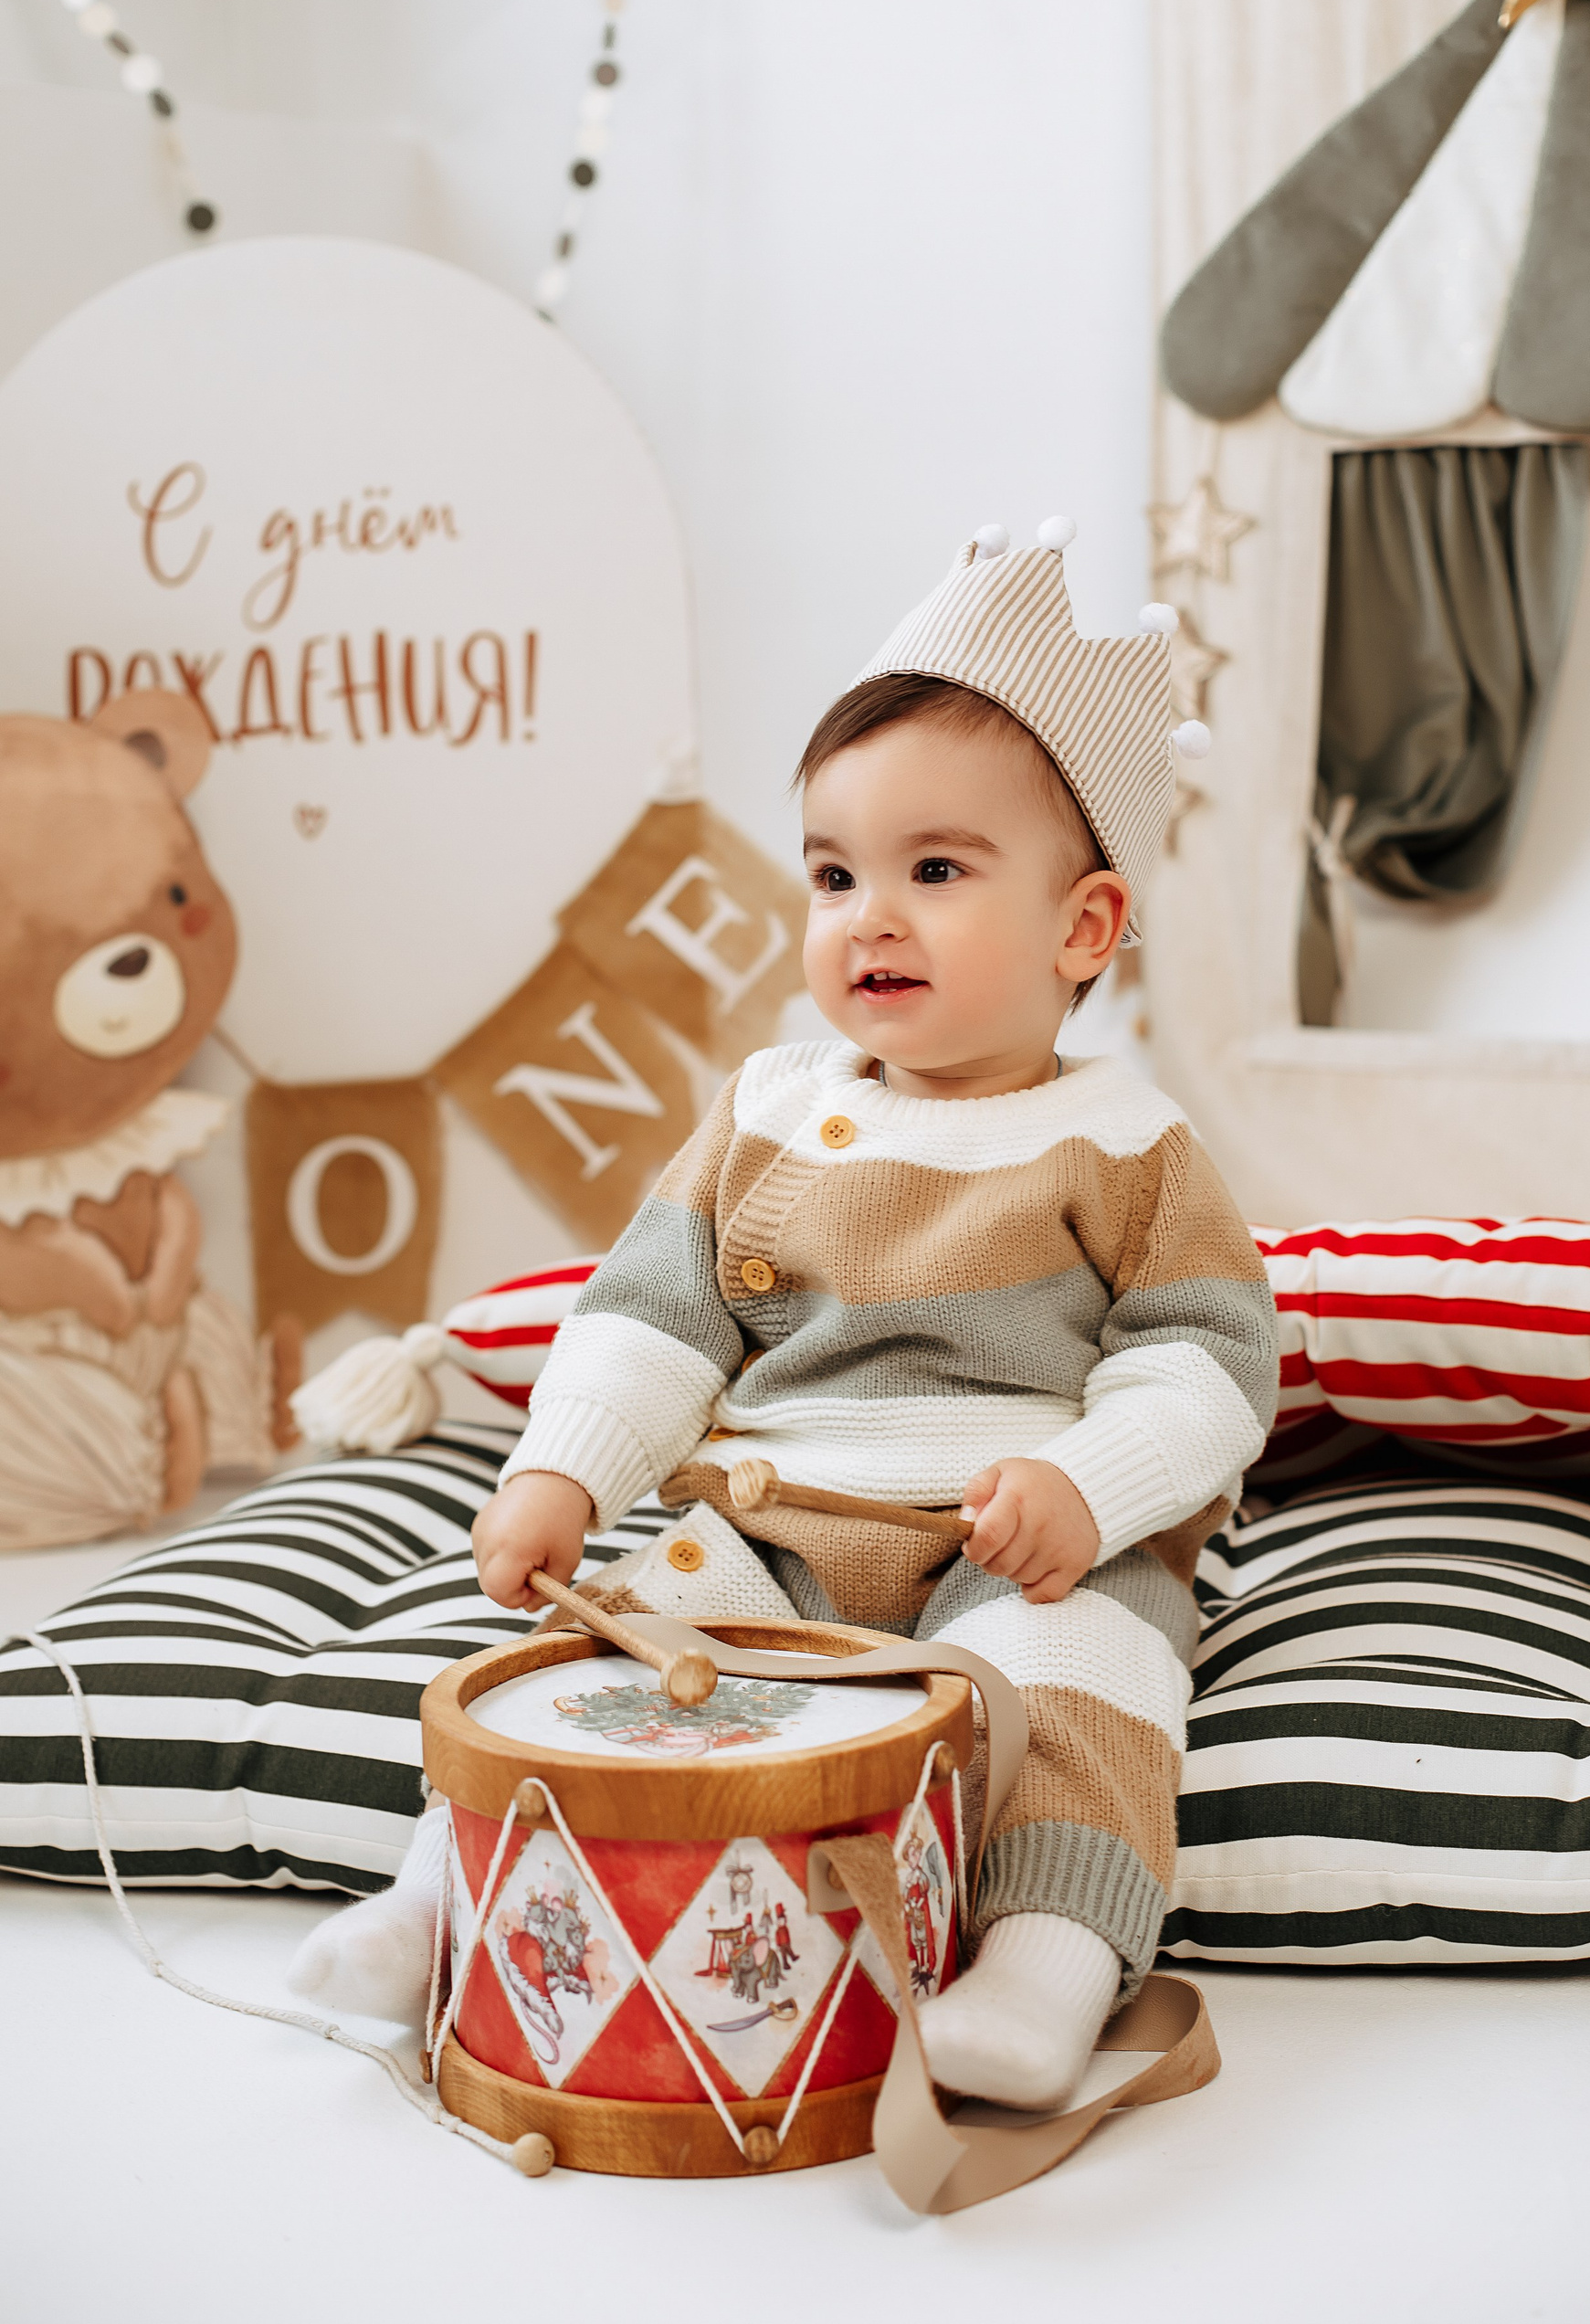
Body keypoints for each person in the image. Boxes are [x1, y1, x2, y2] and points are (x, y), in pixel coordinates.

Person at [290, 518, 1277, 2109]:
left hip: (1015, 1542)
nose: (867, 915)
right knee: (594, 1671)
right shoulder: (765, 1111)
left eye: (934, 871)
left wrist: (1089, 1491)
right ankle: (439, 1904)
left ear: (1084, 927)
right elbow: (652, 1316)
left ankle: (1043, 1974)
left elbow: (1211, 1366)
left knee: (1085, 1690)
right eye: (833, 873)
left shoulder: (1128, 1143)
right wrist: (564, 1475)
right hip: (771, 1527)